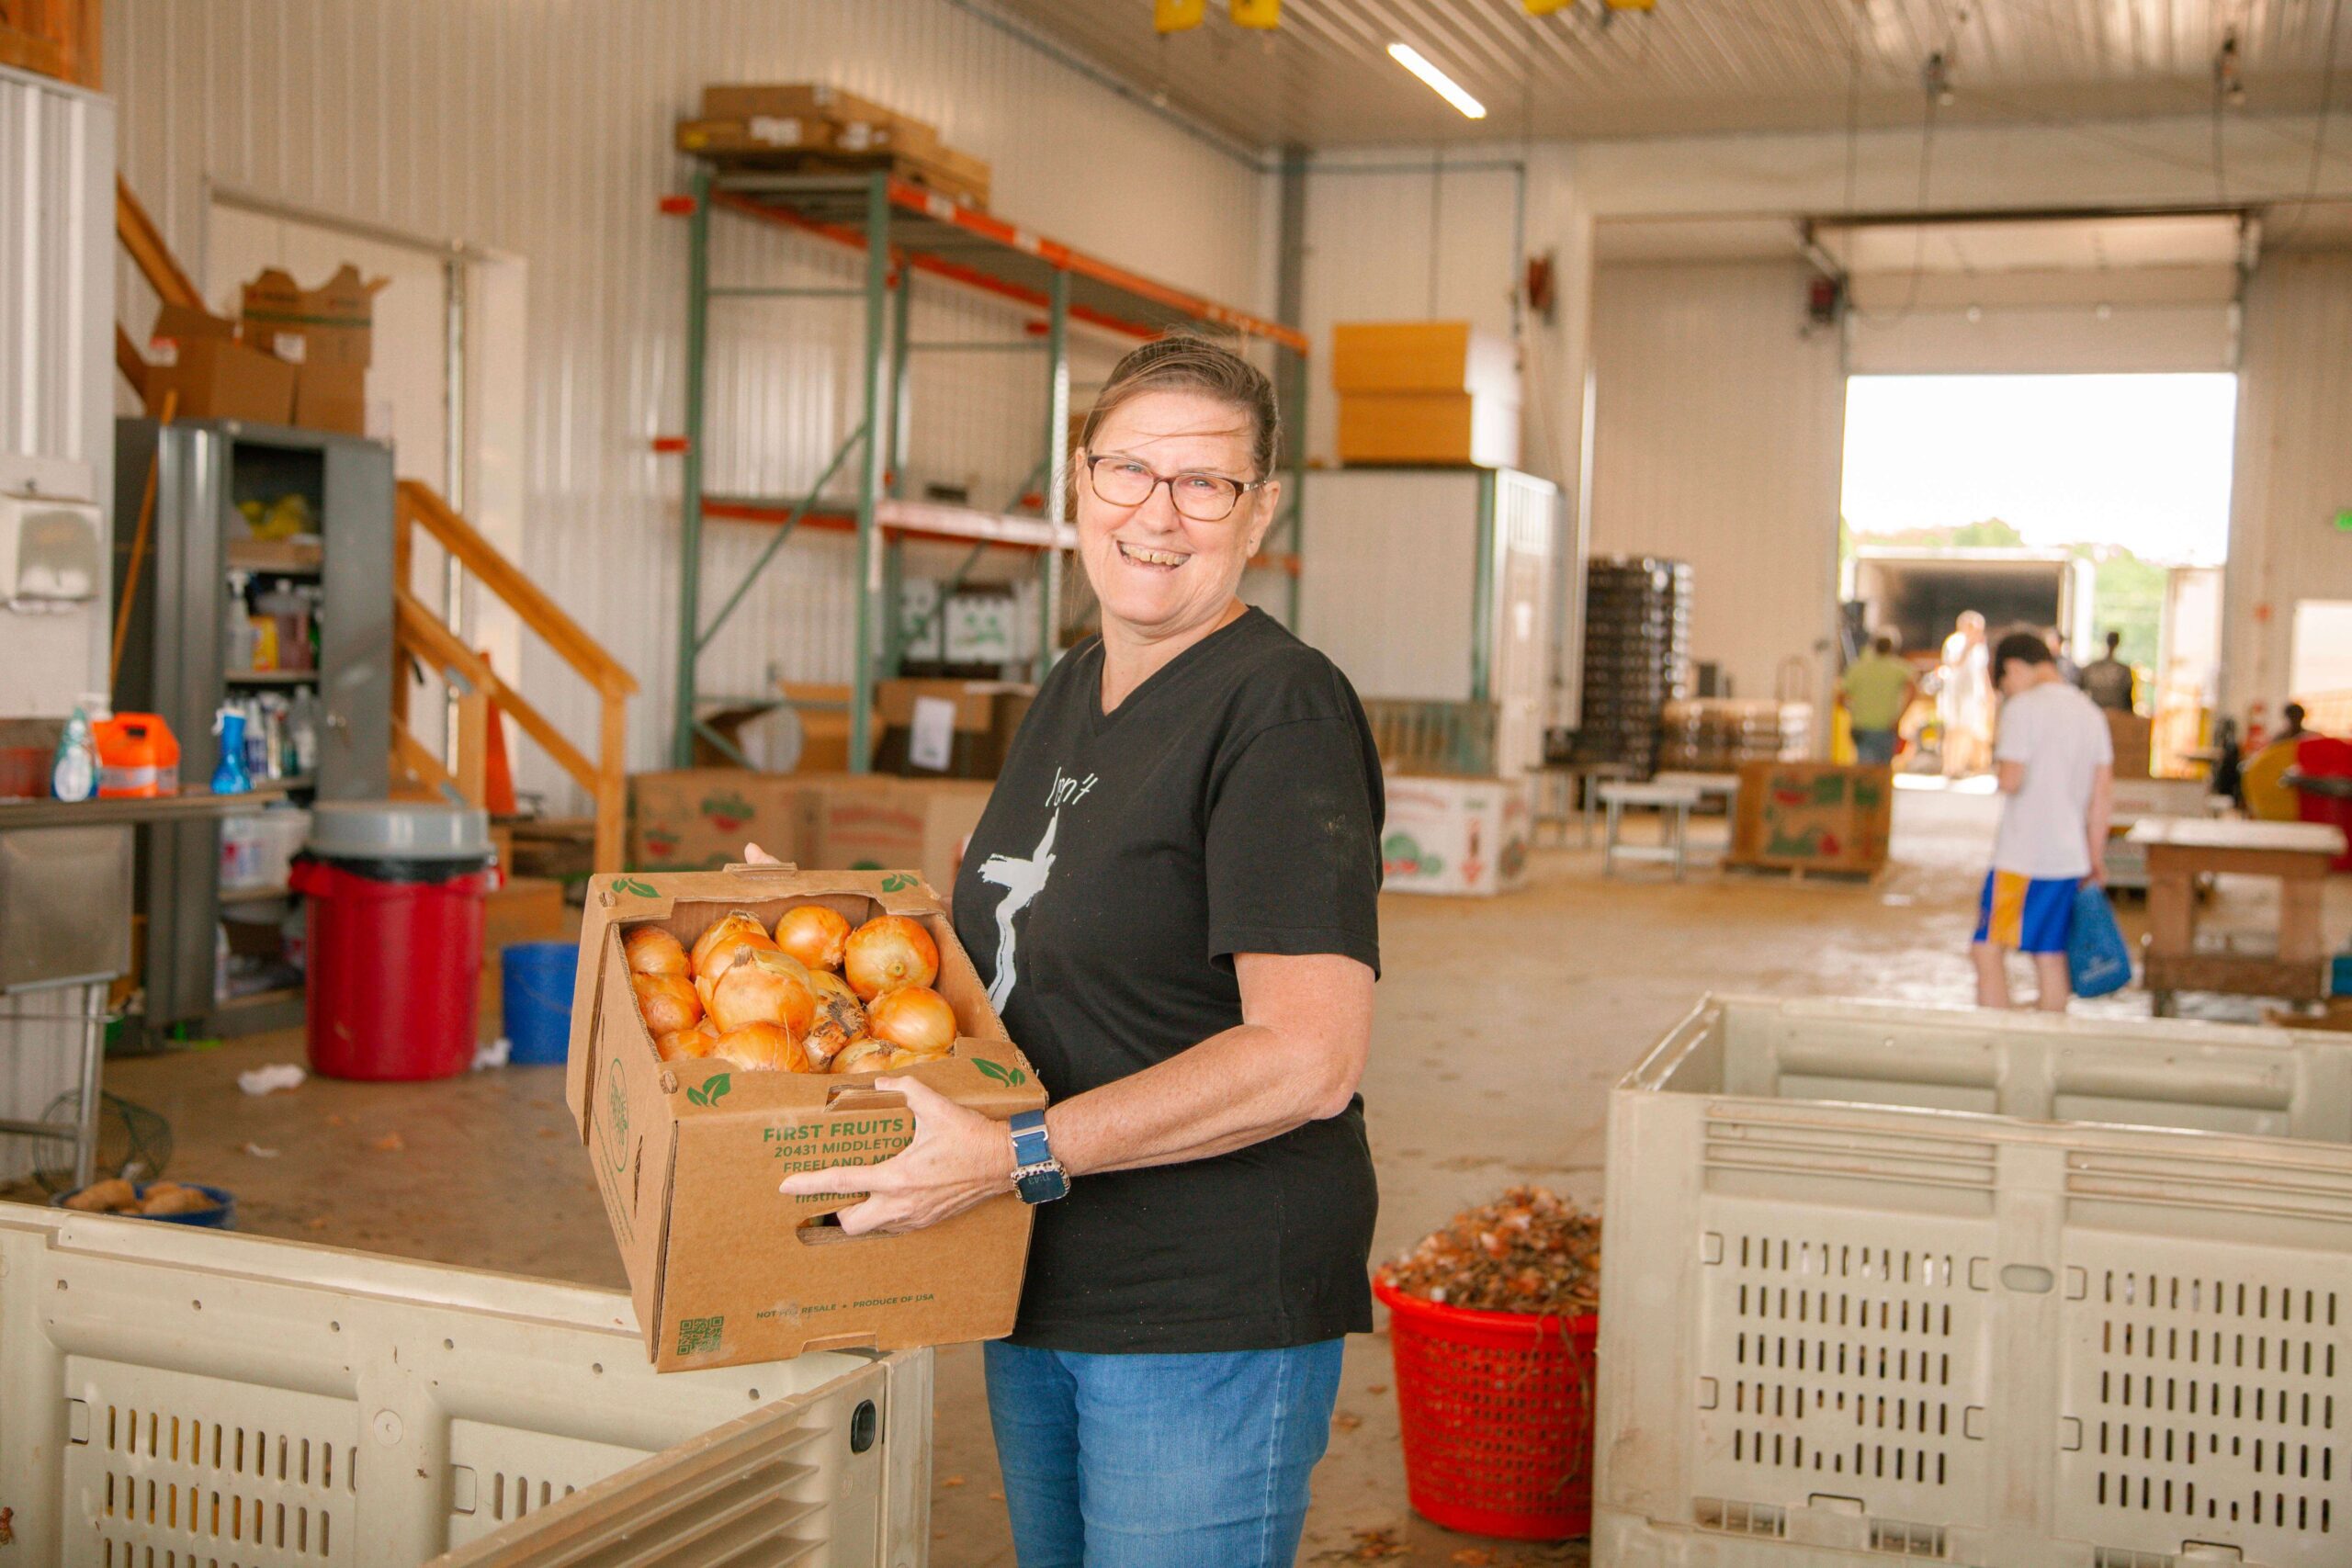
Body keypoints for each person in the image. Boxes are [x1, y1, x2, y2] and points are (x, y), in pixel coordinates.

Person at [772, 336, 1383, 1566]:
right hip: (1037, 1266)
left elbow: (1308, 1058)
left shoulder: (1280, 707)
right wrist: (822, 938)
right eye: (1128, 470)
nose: (1158, 512)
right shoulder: (1072, 684)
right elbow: (1025, 945)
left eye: (1204, 483)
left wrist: (1016, 1150)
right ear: (1075, 484)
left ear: (1261, 511)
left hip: (1199, 1304)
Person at [1973, 630, 2113, 1010]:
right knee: (2050, 955)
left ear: (2015, 667)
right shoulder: (2091, 713)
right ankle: (2050, 1044)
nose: (2008, 691)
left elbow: (2010, 779)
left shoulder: (2023, 708)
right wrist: (2095, 858)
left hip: (2023, 857)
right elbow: (2102, 797)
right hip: (2070, 857)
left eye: (2005, 683)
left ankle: (1995, 1036)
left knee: (1987, 950)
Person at [1840, 634, 1917, 766]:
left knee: (1864, 767)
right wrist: (1900, 716)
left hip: (1862, 725)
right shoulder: (1899, 668)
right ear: (1891, 649)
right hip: (1887, 725)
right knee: (1884, 768)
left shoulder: (1858, 668)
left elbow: (1840, 696)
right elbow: (1913, 690)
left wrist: (1852, 711)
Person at [1939, 611, 1993, 776]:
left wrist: (1988, 692)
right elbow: (1953, 664)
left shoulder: (1980, 647)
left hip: (1972, 694)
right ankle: (1949, 765)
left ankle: (1960, 765)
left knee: (1967, 729)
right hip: (1955, 692)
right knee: (1953, 729)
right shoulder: (1955, 642)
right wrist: (1968, 647)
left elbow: (1982, 671)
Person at [2079, 630, 2135, 712]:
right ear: (2117, 644)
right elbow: (2128, 701)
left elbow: (2078, 693)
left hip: (2095, 713)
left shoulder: (2090, 669)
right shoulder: (2124, 671)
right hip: (2113, 716)